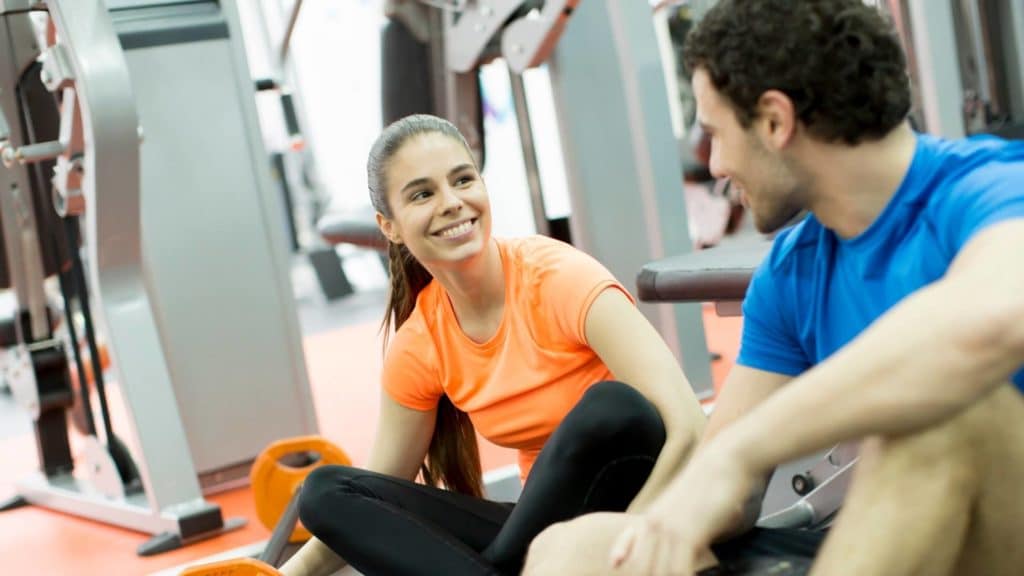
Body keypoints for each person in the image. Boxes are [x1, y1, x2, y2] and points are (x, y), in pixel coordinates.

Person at [524, 1, 1024, 575]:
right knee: (575, 549)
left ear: (774, 121)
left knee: (944, 418)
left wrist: (742, 450)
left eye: (715, 135)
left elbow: (990, 322)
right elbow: (724, 490)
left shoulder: (994, 189)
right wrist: (665, 518)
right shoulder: (793, 269)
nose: (712, 166)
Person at [278, 114, 707, 576]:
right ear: (391, 226)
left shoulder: (559, 278)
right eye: (423, 194)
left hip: (642, 501)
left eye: (462, 180)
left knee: (614, 409)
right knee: (325, 492)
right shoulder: (421, 341)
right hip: (536, 533)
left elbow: (689, 427)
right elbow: (379, 494)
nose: (452, 203)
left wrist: (630, 538)